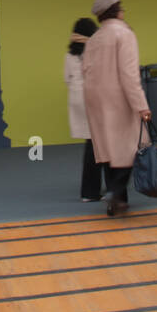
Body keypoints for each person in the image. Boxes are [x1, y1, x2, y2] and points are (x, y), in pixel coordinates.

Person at [81, 0, 151, 217]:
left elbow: (85, 71)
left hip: (95, 98)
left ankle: (119, 200)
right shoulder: (124, 34)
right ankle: (116, 191)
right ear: (118, 11)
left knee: (110, 149)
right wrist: (141, 104)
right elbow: (129, 73)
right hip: (119, 97)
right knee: (130, 147)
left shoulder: (94, 38)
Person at [65, 17, 106, 202]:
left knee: (92, 142)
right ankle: (104, 189)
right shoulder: (96, 50)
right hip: (93, 97)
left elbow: (67, 78)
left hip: (76, 98)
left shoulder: (70, 54)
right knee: (102, 143)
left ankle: (90, 191)